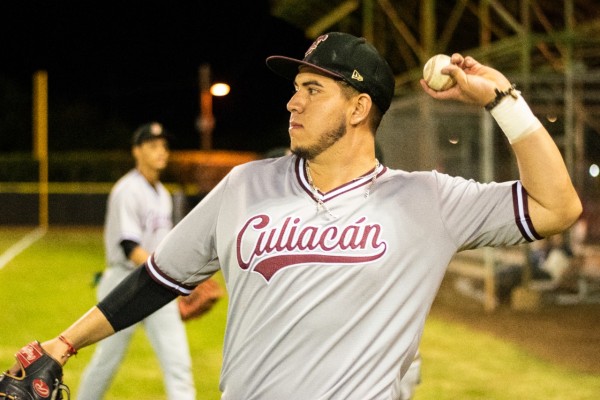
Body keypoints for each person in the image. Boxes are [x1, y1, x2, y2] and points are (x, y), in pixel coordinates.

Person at [6, 32, 581, 399]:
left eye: (312, 89)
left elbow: (557, 206)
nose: (292, 101)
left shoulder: (427, 199)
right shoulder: (245, 185)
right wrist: (62, 345)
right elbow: (159, 278)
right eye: (296, 88)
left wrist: (503, 101)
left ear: (359, 108)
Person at [76, 122, 196, 400]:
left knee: (178, 363)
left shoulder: (163, 194)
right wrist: (173, 276)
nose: (161, 152)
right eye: (153, 146)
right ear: (136, 151)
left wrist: (180, 277)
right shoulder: (127, 190)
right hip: (124, 282)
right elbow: (130, 247)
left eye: (164, 146)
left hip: (157, 282)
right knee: (106, 362)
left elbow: (165, 247)